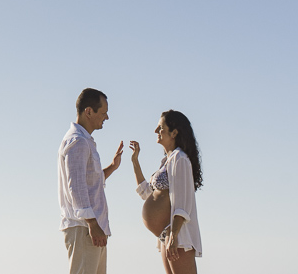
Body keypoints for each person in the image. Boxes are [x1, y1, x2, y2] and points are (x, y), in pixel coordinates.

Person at [58, 88, 124, 274]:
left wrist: (112, 167)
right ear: (89, 111)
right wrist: (92, 224)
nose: (107, 117)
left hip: (92, 227)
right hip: (85, 228)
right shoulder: (77, 142)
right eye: (103, 112)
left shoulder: (84, 142)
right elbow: (76, 187)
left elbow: (88, 181)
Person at [130, 110, 203, 274]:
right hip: (166, 235)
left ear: (174, 132)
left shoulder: (180, 158)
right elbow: (147, 195)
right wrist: (135, 162)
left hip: (177, 235)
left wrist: (174, 235)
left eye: (160, 127)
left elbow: (182, 202)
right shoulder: (167, 161)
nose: (156, 131)